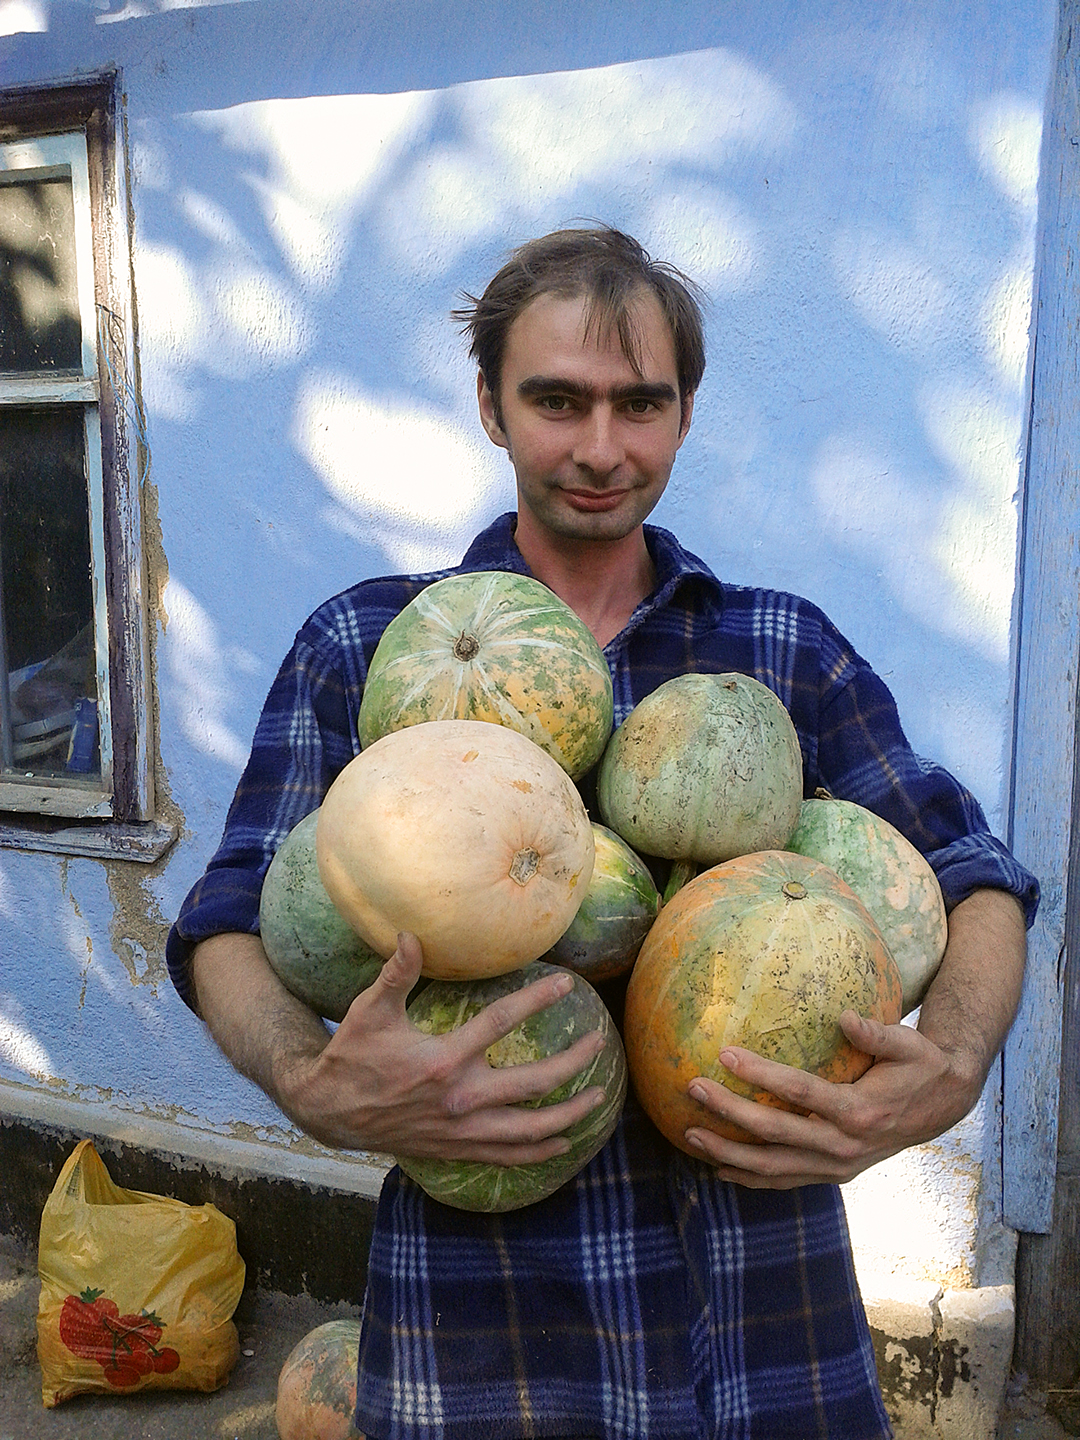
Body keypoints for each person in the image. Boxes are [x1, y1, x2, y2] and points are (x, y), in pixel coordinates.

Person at [168, 227, 1038, 1440]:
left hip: (766, 1315)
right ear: (490, 406)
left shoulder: (779, 648)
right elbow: (227, 917)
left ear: (684, 415)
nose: (599, 447)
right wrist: (310, 1084)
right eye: (556, 400)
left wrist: (951, 1064)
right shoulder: (364, 647)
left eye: (640, 404)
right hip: (484, 1323)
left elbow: (974, 874)